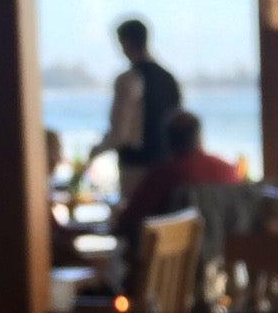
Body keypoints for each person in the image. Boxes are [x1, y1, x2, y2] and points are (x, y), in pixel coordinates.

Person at [82, 18, 181, 197]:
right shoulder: (169, 79)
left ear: (126, 42)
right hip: (167, 168)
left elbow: (120, 133)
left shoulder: (129, 79)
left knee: (135, 211)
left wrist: (95, 152)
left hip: (136, 168)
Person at [114, 112, 240, 240]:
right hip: (226, 249)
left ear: (168, 140)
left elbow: (127, 223)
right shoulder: (229, 171)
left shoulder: (164, 176)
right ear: (199, 136)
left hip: (175, 250)